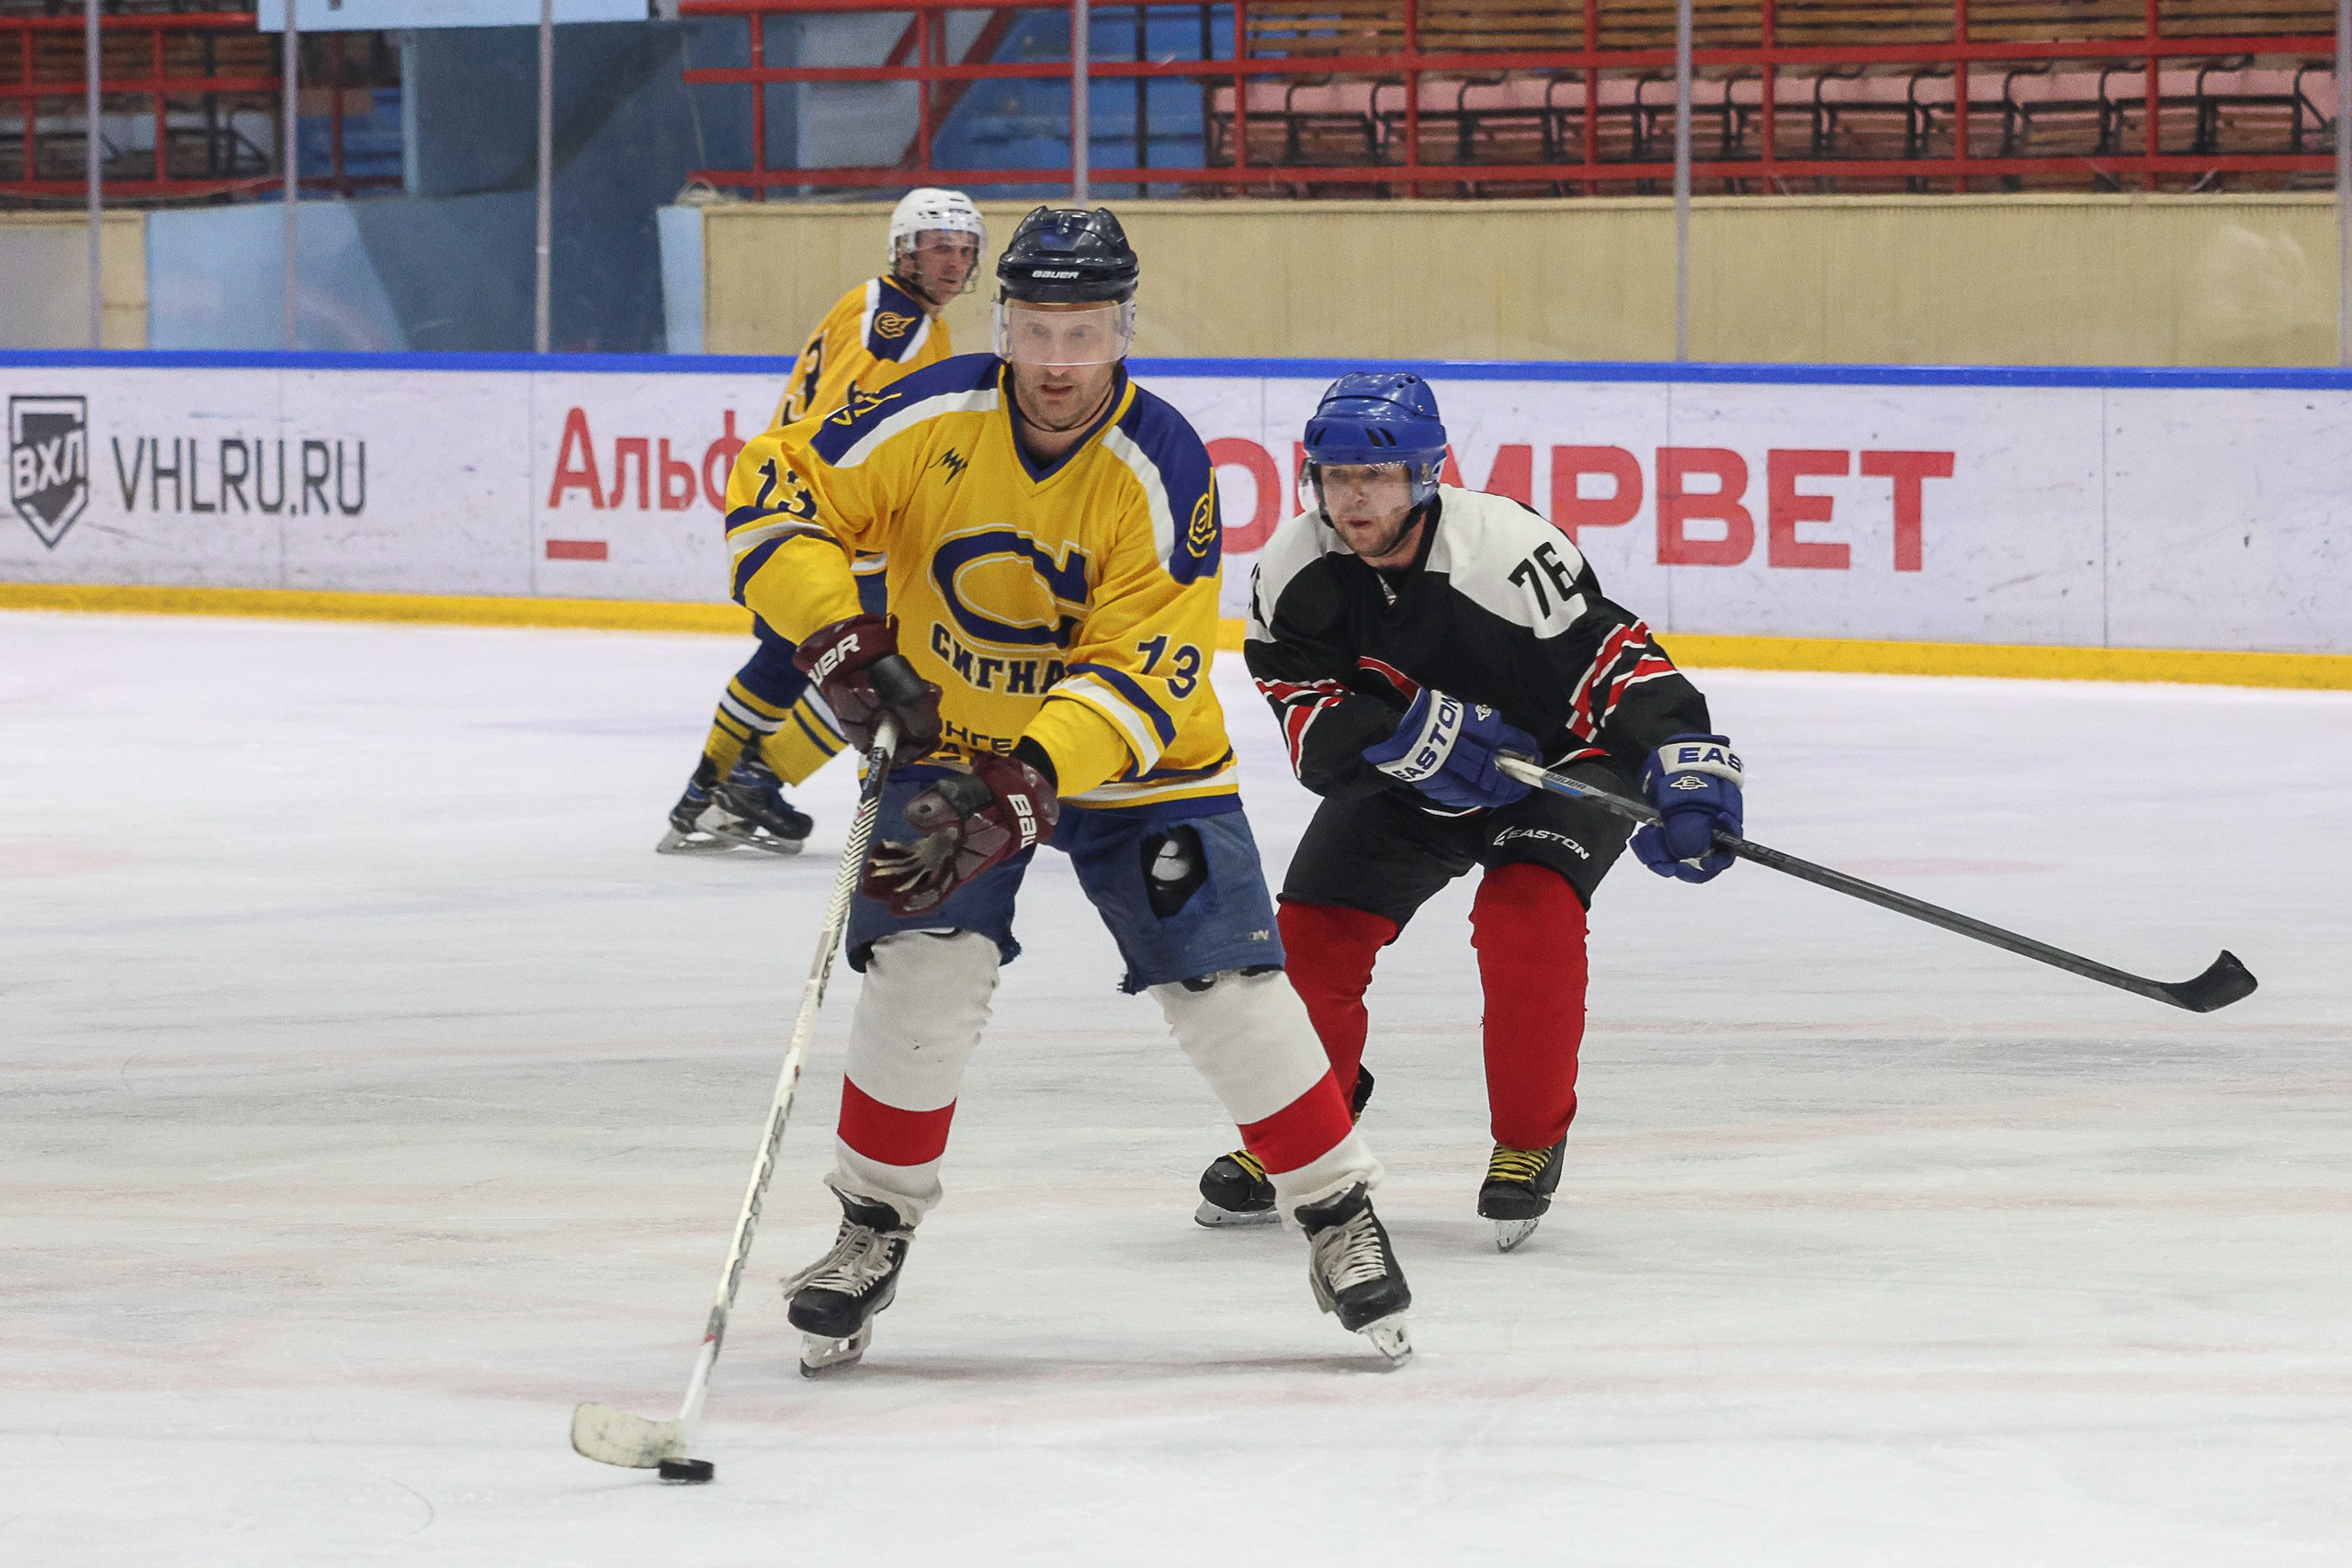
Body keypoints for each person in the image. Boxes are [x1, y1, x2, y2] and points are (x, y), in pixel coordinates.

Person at [720, 208, 1416, 1372]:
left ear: (1122, 329)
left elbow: (1149, 660)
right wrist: (837, 634)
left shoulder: (1165, 461)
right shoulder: (925, 410)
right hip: (948, 742)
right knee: (921, 973)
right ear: (1003, 322)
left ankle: (1341, 1215)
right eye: (1036, 328)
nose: (1055, 361)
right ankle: (869, 1228)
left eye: (1082, 332)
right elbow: (773, 494)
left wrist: (1035, 779)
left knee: (1227, 985)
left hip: (1137, 760)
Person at [1193, 373, 1743, 1252]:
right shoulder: (1294, 572)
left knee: (1525, 915)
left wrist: (1680, 758)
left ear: (1424, 475)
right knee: (1310, 938)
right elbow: (1307, 721)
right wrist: (1409, 739)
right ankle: (1303, 1117)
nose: (1351, 498)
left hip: (1557, 768)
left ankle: (1528, 1139)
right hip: (1408, 783)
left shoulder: (1505, 550)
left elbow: (1616, 661)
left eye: (1373, 478)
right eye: (1334, 477)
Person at [660, 188, 987, 854]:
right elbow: (854, 426)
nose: (952, 263)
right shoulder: (902, 327)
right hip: (837, 518)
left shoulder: (873, 301)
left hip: (787, 502)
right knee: (883, 667)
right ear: (905, 250)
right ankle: (756, 783)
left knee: (782, 657)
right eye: (938, 248)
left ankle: (704, 797)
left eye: (963, 251)